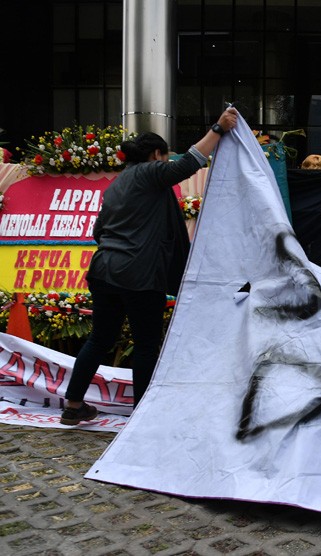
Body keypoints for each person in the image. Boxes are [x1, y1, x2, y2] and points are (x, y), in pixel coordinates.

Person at [60, 107, 239, 425]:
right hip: (139, 275)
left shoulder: (116, 185)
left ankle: (73, 406)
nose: (168, 162)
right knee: (145, 343)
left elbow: (98, 232)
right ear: (157, 155)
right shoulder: (149, 173)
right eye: (166, 156)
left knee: (99, 339)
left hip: (103, 271)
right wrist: (219, 127)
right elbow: (190, 163)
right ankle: (141, 414)